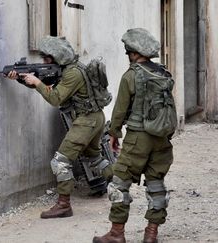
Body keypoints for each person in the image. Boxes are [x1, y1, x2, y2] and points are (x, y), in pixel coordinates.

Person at [7, 36, 110, 219]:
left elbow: (55, 98)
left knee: (60, 161)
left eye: (47, 58)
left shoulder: (72, 74)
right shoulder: (72, 68)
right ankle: (122, 184)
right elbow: (47, 84)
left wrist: (36, 83)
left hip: (86, 121)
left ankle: (64, 205)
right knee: (94, 158)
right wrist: (22, 79)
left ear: (57, 57)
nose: (45, 62)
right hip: (95, 118)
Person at [93, 28, 175, 243]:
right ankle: (151, 234)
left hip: (138, 137)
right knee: (156, 183)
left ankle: (116, 234)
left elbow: (120, 110)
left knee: (119, 183)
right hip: (162, 139)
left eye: (128, 51)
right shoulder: (163, 73)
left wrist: (114, 134)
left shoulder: (131, 75)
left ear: (133, 52)